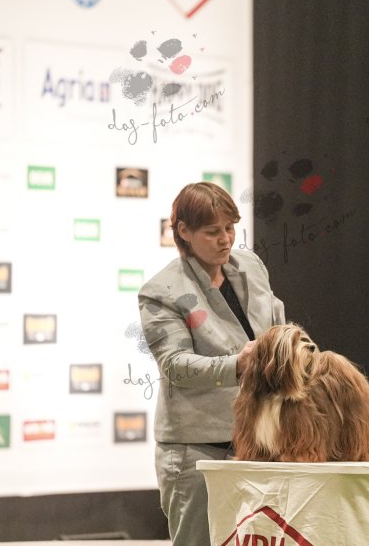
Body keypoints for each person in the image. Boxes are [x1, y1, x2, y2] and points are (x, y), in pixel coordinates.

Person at [140, 182, 286, 545]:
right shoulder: (161, 291)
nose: (225, 240)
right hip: (197, 450)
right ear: (184, 232)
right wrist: (238, 364)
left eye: (230, 228)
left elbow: (276, 323)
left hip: (261, 442)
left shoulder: (251, 265)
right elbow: (176, 366)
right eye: (212, 231)